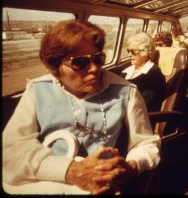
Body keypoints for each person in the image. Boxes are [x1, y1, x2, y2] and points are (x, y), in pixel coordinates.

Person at [2, 20, 160, 195]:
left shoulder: (126, 92)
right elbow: (10, 149)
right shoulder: (37, 90)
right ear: (55, 66)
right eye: (80, 62)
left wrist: (132, 166)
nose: (94, 69)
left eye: (98, 58)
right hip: (46, 185)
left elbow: (145, 143)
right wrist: (71, 171)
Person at [122, 32, 166, 112]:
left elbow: (145, 105)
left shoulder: (154, 74)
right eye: (128, 50)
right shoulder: (128, 70)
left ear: (145, 52)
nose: (129, 55)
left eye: (133, 51)